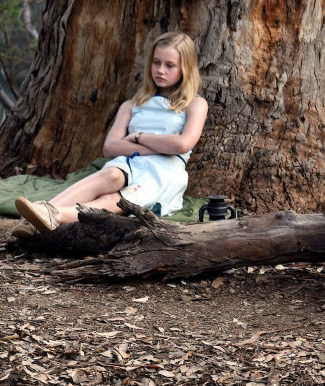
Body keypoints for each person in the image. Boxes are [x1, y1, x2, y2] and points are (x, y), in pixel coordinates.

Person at [11, 31, 209, 237]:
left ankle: (55, 215)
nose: (160, 70)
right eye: (156, 62)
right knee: (111, 174)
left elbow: (182, 144)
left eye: (170, 65)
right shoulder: (133, 104)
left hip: (164, 173)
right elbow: (111, 147)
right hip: (130, 163)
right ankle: (32, 218)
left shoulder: (195, 104)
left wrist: (138, 137)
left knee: (116, 200)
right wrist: (159, 146)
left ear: (185, 68)